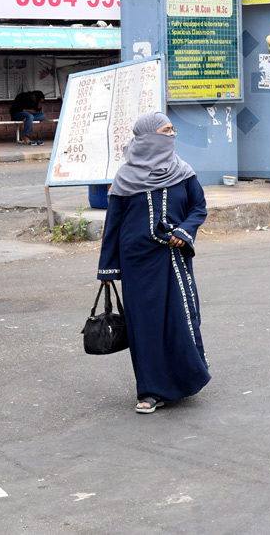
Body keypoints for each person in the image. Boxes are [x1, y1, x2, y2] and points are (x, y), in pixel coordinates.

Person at [96, 112, 210, 413]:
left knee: (178, 321)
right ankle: (149, 390)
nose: (171, 135)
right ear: (147, 137)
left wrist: (184, 233)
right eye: (165, 130)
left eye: (172, 130)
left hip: (172, 258)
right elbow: (114, 225)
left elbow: (198, 207)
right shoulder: (125, 176)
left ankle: (185, 379)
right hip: (137, 264)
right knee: (143, 326)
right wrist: (107, 269)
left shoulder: (182, 171)